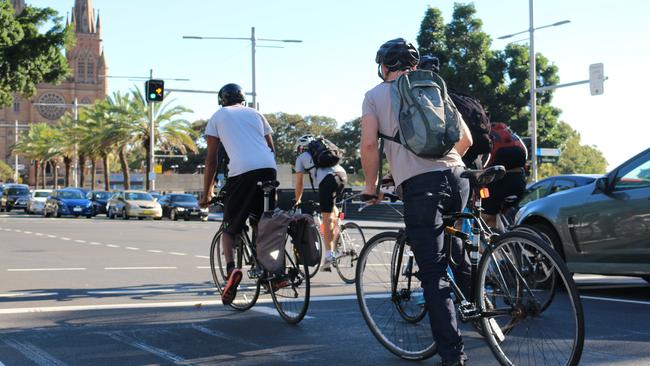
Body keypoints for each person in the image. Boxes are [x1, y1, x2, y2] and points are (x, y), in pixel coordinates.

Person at [361, 38, 473, 366]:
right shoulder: (434, 88)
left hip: (423, 188)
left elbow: (369, 146)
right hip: (458, 177)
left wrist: (373, 186)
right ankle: (483, 312)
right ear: (413, 65)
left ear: (383, 67)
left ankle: (453, 356)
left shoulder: (374, 96)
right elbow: (464, 140)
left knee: (433, 272)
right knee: (457, 253)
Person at [199, 83, 277, 305]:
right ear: (242, 99)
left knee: (229, 228)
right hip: (268, 169)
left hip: (242, 172)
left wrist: (206, 194)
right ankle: (272, 270)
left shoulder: (218, 116)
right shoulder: (256, 113)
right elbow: (270, 147)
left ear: (222, 100)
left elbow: (212, 160)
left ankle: (232, 270)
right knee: (262, 222)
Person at [293, 134, 348, 271]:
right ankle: (339, 231)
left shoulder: (301, 158)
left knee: (326, 217)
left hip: (327, 180)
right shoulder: (324, 151)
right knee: (332, 209)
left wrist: (297, 199)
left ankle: (329, 256)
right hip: (342, 176)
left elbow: (299, 183)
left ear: (301, 148)